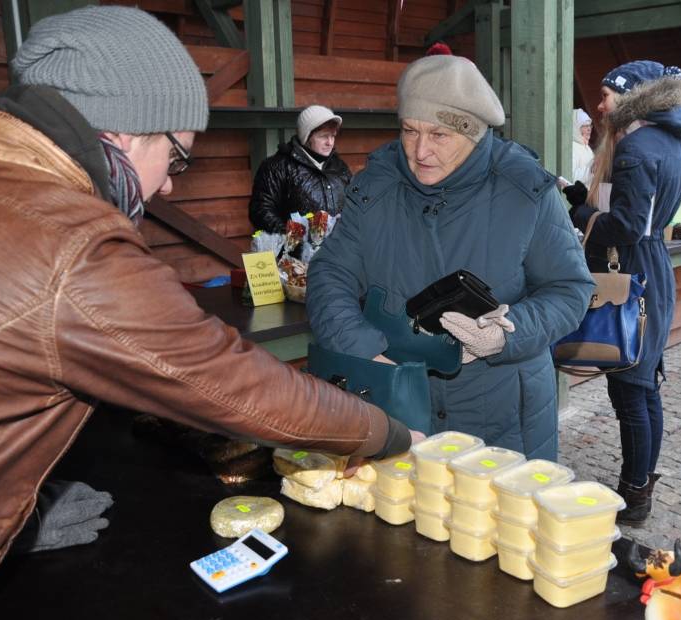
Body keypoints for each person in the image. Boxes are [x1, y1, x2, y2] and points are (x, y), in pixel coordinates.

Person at [0, 7, 417, 620]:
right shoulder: (69, 241)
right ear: (120, 129)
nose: (170, 184)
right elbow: (235, 386)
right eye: (175, 157)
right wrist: (389, 434)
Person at [307, 55, 595, 461]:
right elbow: (329, 274)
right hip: (399, 410)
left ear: (473, 133)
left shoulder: (525, 191)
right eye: (410, 130)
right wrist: (362, 350)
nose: (420, 150)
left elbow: (570, 290)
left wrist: (507, 333)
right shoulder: (375, 187)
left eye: (439, 135)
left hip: (503, 415)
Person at [567, 60, 681, 526]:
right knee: (644, 389)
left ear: (630, 96)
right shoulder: (668, 138)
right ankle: (638, 484)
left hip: (634, 275)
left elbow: (628, 227)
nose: (599, 106)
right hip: (654, 270)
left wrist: (582, 215)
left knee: (630, 393)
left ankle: (634, 494)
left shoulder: (637, 146)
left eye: (605, 95)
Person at [248, 105, 352, 234]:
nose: (330, 142)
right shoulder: (277, 167)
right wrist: (295, 238)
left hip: (339, 250)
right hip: (295, 252)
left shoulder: (339, 167)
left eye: (333, 136)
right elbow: (261, 211)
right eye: (323, 136)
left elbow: (356, 204)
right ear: (306, 137)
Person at [571, 108, 595, 186]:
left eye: (590, 125)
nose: (589, 129)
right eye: (585, 126)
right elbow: (571, 176)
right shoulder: (572, 147)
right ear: (575, 127)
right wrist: (593, 169)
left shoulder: (586, 147)